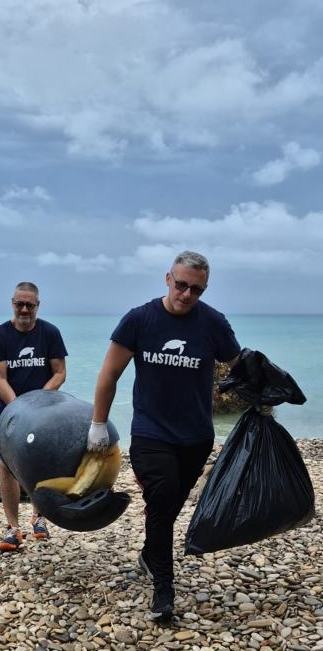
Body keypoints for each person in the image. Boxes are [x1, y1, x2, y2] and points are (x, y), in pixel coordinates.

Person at [87, 251, 242, 621]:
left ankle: (148, 553)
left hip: (196, 436)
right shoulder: (140, 320)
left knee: (167, 510)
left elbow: (240, 368)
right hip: (150, 433)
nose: (187, 294)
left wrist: (266, 392)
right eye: (181, 284)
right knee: (161, 499)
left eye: (196, 290)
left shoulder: (213, 323)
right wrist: (98, 424)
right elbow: (109, 375)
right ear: (167, 278)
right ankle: (164, 590)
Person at [0, 281, 68, 551]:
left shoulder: (50, 333)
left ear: (37, 306)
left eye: (29, 305)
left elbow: (59, 373)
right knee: (7, 468)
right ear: (12, 303)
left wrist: (39, 400)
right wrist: (20, 407)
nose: (24, 309)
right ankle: (13, 529)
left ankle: (40, 517)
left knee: (41, 465)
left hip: (44, 413)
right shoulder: (0, 335)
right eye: (19, 304)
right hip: (9, 413)